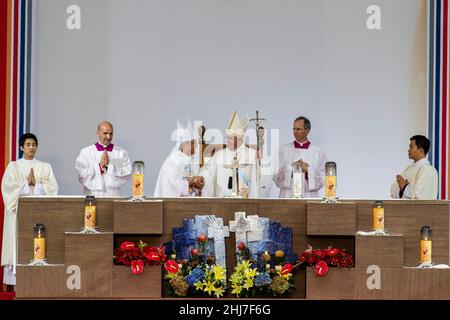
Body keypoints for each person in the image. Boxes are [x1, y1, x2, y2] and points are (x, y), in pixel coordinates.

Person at [1, 133, 58, 290]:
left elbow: (52, 189)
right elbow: (7, 188)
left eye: (34, 144)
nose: (31, 147)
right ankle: (14, 285)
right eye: (28, 144)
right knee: (17, 246)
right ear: (21, 147)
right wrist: (27, 185)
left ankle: (38, 283)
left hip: (38, 214)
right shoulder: (13, 166)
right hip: (17, 215)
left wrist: (36, 185)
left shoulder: (45, 167)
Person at [201, 112, 257, 198]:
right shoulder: (219, 155)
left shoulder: (252, 155)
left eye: (231, 138)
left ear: (239, 140)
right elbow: (207, 171)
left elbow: (257, 180)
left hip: (245, 201)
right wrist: (202, 178)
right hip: (222, 202)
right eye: (228, 138)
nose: (228, 141)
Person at [274, 116, 326, 198]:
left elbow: (323, 178)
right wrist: (291, 169)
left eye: (298, 129)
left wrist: (308, 170)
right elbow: (276, 176)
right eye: (294, 129)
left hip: (309, 196)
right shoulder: (283, 150)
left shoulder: (318, 152)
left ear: (307, 130)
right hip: (288, 196)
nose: (295, 132)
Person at [75, 121, 132, 196]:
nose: (108, 137)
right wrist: (100, 167)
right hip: (92, 196)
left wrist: (109, 166)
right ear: (98, 133)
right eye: (105, 133)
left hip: (113, 195)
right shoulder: (86, 152)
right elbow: (81, 175)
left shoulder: (121, 152)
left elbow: (126, 174)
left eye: (111, 133)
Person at [154, 121, 205, 197]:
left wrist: (199, 182)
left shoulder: (192, 161)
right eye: (194, 143)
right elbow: (171, 184)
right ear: (186, 144)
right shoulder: (173, 160)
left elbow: (196, 184)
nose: (197, 146)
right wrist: (190, 182)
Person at [391, 135, 438, 199]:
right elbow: (393, 190)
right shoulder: (408, 169)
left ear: (421, 150)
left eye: (411, 147)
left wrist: (404, 187)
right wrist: (403, 188)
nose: (408, 150)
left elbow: (419, 195)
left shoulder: (428, 170)